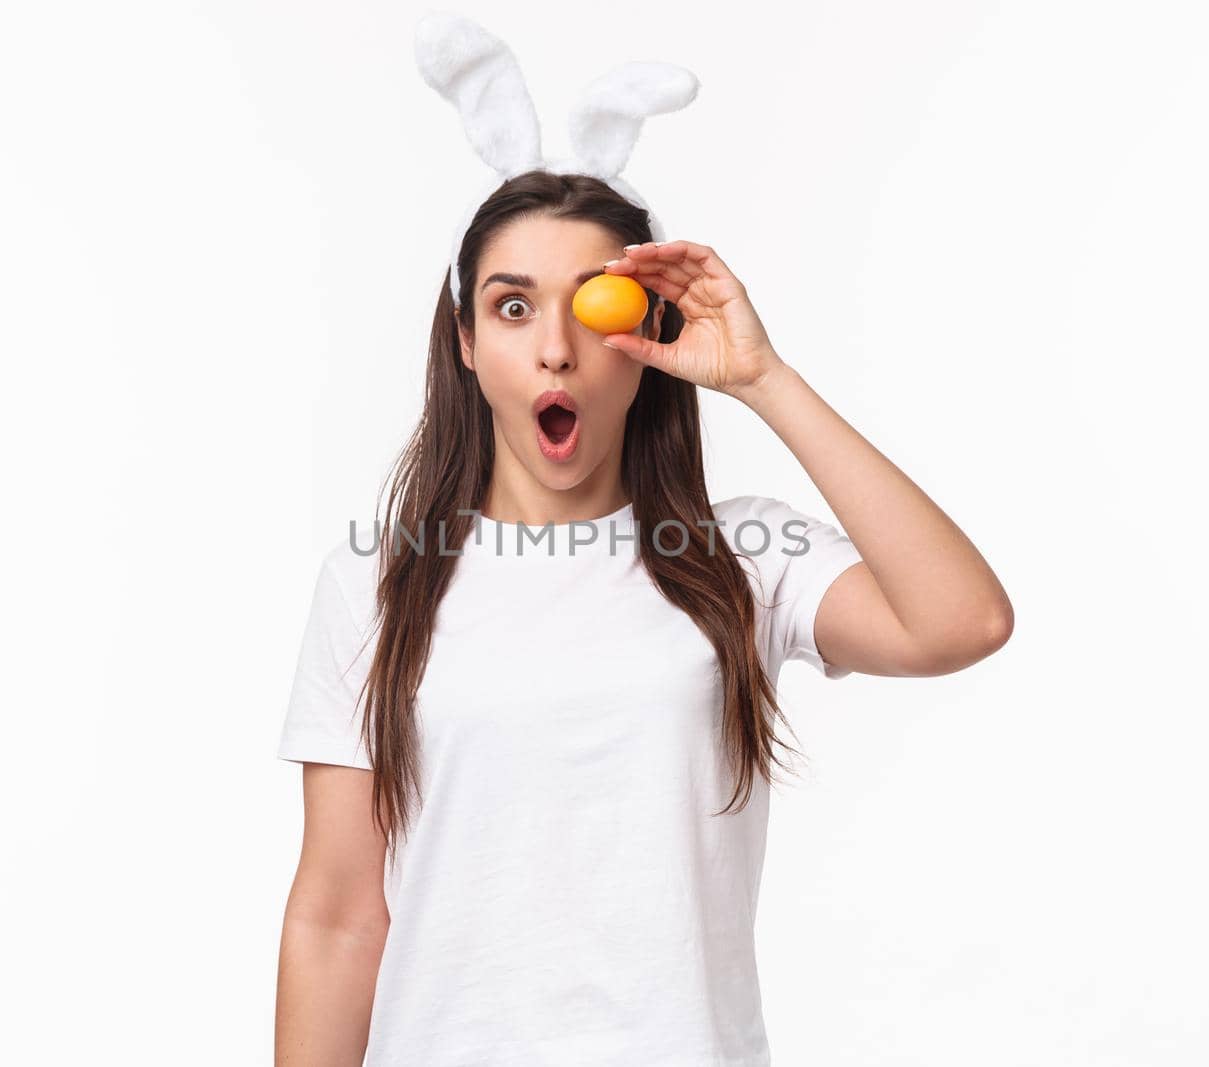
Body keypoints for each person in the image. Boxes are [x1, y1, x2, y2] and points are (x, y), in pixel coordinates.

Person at [272, 168, 1015, 1065]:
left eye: (595, 308)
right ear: (464, 341)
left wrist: (763, 377)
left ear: (646, 334)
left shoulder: (741, 557)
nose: (556, 349)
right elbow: (339, 917)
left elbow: (963, 620)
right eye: (513, 308)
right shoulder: (379, 580)